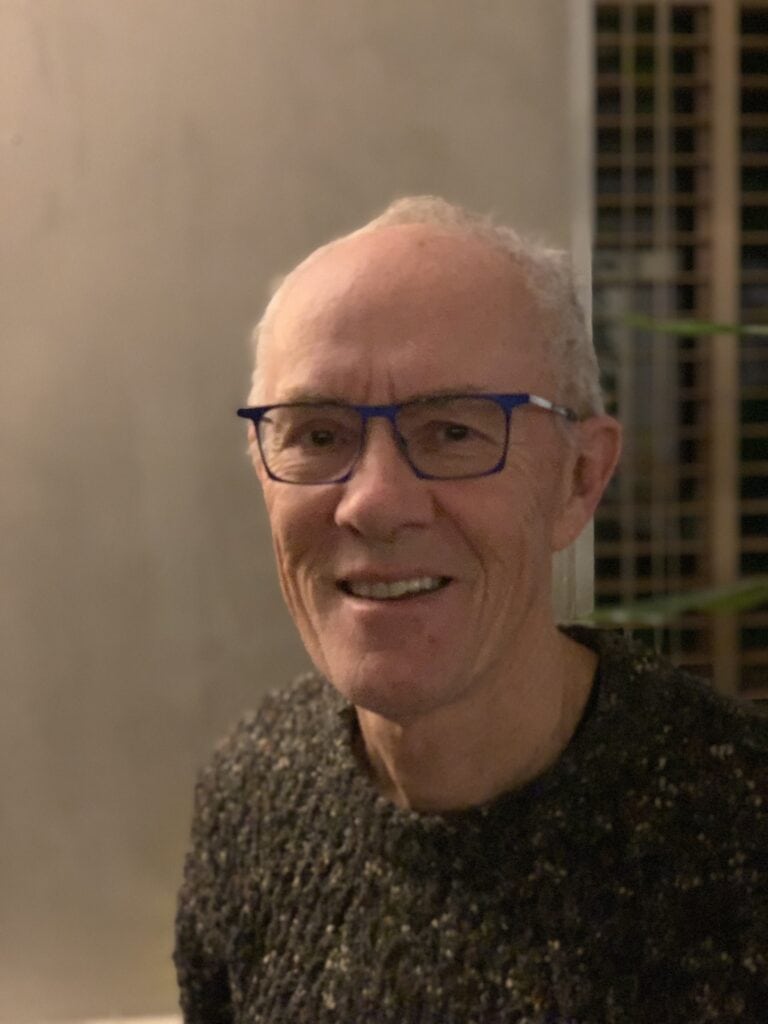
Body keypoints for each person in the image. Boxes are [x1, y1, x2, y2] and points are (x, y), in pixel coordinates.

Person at [174, 196, 767, 1023]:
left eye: (453, 432)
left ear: (579, 480)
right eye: (317, 435)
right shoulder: (252, 794)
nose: (375, 504)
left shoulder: (739, 832)